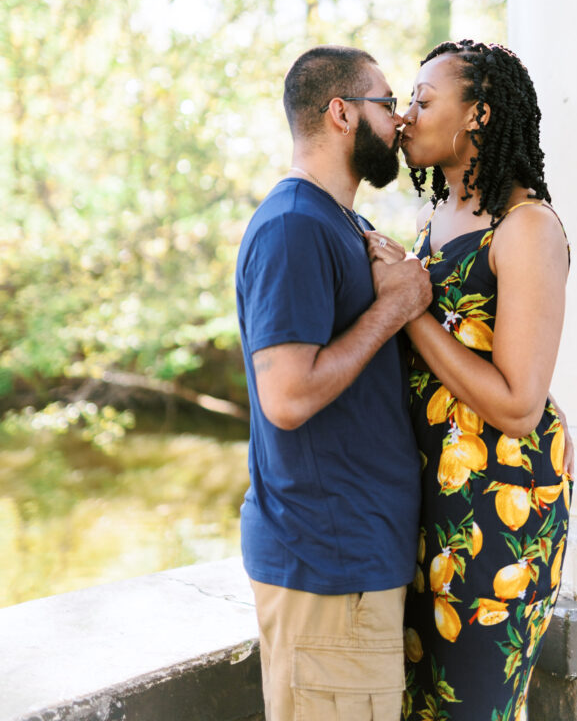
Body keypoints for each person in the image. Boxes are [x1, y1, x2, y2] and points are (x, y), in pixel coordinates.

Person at [367, 40, 573, 721]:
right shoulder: (432, 222)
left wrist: (408, 307)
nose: (404, 116)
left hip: (499, 498)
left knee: (472, 709)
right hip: (430, 499)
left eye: (424, 100)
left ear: (479, 115)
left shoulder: (527, 229)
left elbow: (518, 404)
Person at [235, 45, 433, 721]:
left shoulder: (347, 225)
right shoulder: (294, 228)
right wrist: (392, 310)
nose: (402, 119)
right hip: (327, 568)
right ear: (341, 113)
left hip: (359, 564)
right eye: (388, 102)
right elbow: (286, 399)